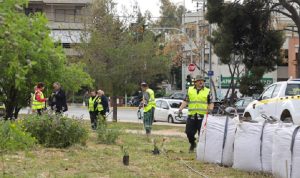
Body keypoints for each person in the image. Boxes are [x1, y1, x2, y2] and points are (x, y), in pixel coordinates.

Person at [178, 75, 214, 152]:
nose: (201, 82)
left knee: (202, 134)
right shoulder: (190, 90)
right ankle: (192, 143)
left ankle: (200, 149)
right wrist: (180, 109)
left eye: (202, 80)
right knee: (188, 132)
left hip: (202, 117)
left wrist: (210, 110)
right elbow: (186, 101)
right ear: (195, 82)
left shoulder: (207, 91)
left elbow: (210, 102)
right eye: (199, 80)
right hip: (192, 116)